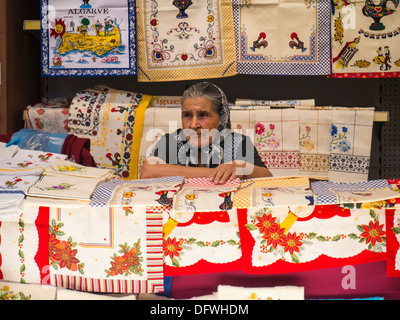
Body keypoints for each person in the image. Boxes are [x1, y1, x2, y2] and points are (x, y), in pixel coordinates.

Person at [140, 82, 272, 184]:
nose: (193, 124)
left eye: (203, 115)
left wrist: (242, 167)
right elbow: (148, 172)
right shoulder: (172, 141)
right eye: (187, 115)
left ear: (221, 118)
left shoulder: (238, 143)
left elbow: (268, 180)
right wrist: (217, 173)